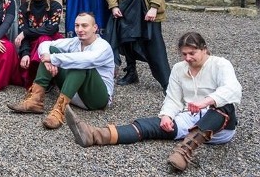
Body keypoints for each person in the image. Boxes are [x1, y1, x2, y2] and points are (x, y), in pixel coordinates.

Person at [65, 32, 242, 173]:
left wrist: (206, 101)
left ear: (204, 49)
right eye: (184, 54)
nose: (187, 58)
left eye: (192, 53)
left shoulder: (220, 64)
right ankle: (95, 135)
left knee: (224, 105)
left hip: (220, 128)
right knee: (149, 125)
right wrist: (166, 116)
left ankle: (184, 151)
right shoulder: (180, 69)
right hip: (190, 120)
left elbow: (233, 89)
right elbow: (172, 98)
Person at [7, 12, 115, 130]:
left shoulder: (103, 47)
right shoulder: (75, 41)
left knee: (79, 63)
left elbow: (87, 59)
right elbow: (45, 44)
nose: (79, 29)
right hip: (73, 93)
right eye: (77, 25)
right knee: (52, 50)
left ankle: (59, 112)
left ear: (95, 28)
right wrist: (47, 58)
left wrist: (53, 59)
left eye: (84, 26)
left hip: (96, 99)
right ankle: (35, 101)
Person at [16, 0, 63, 86]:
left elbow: (50, 30)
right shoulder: (23, 8)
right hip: (31, 45)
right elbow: (22, 32)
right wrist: (25, 53)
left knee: (44, 38)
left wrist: (26, 32)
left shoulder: (55, 6)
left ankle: (42, 82)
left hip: (50, 42)